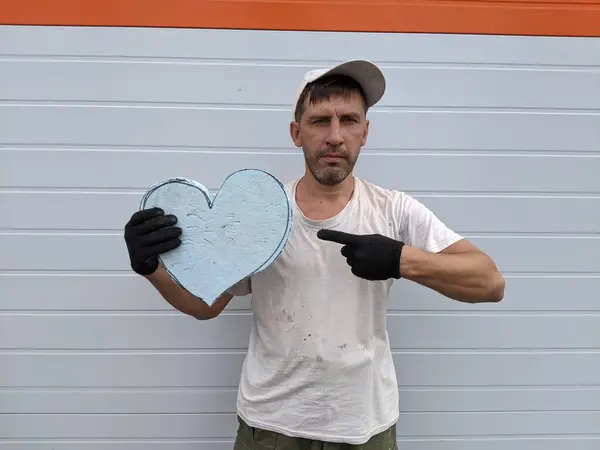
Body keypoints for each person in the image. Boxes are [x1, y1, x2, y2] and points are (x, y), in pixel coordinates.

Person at [123, 59, 505, 449]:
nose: (336, 136)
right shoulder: (263, 217)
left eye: (350, 120)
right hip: (270, 428)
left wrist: (400, 260)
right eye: (321, 121)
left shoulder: (394, 210)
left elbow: (490, 282)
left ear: (365, 132)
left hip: (363, 428)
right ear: (296, 132)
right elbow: (206, 306)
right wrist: (151, 267)